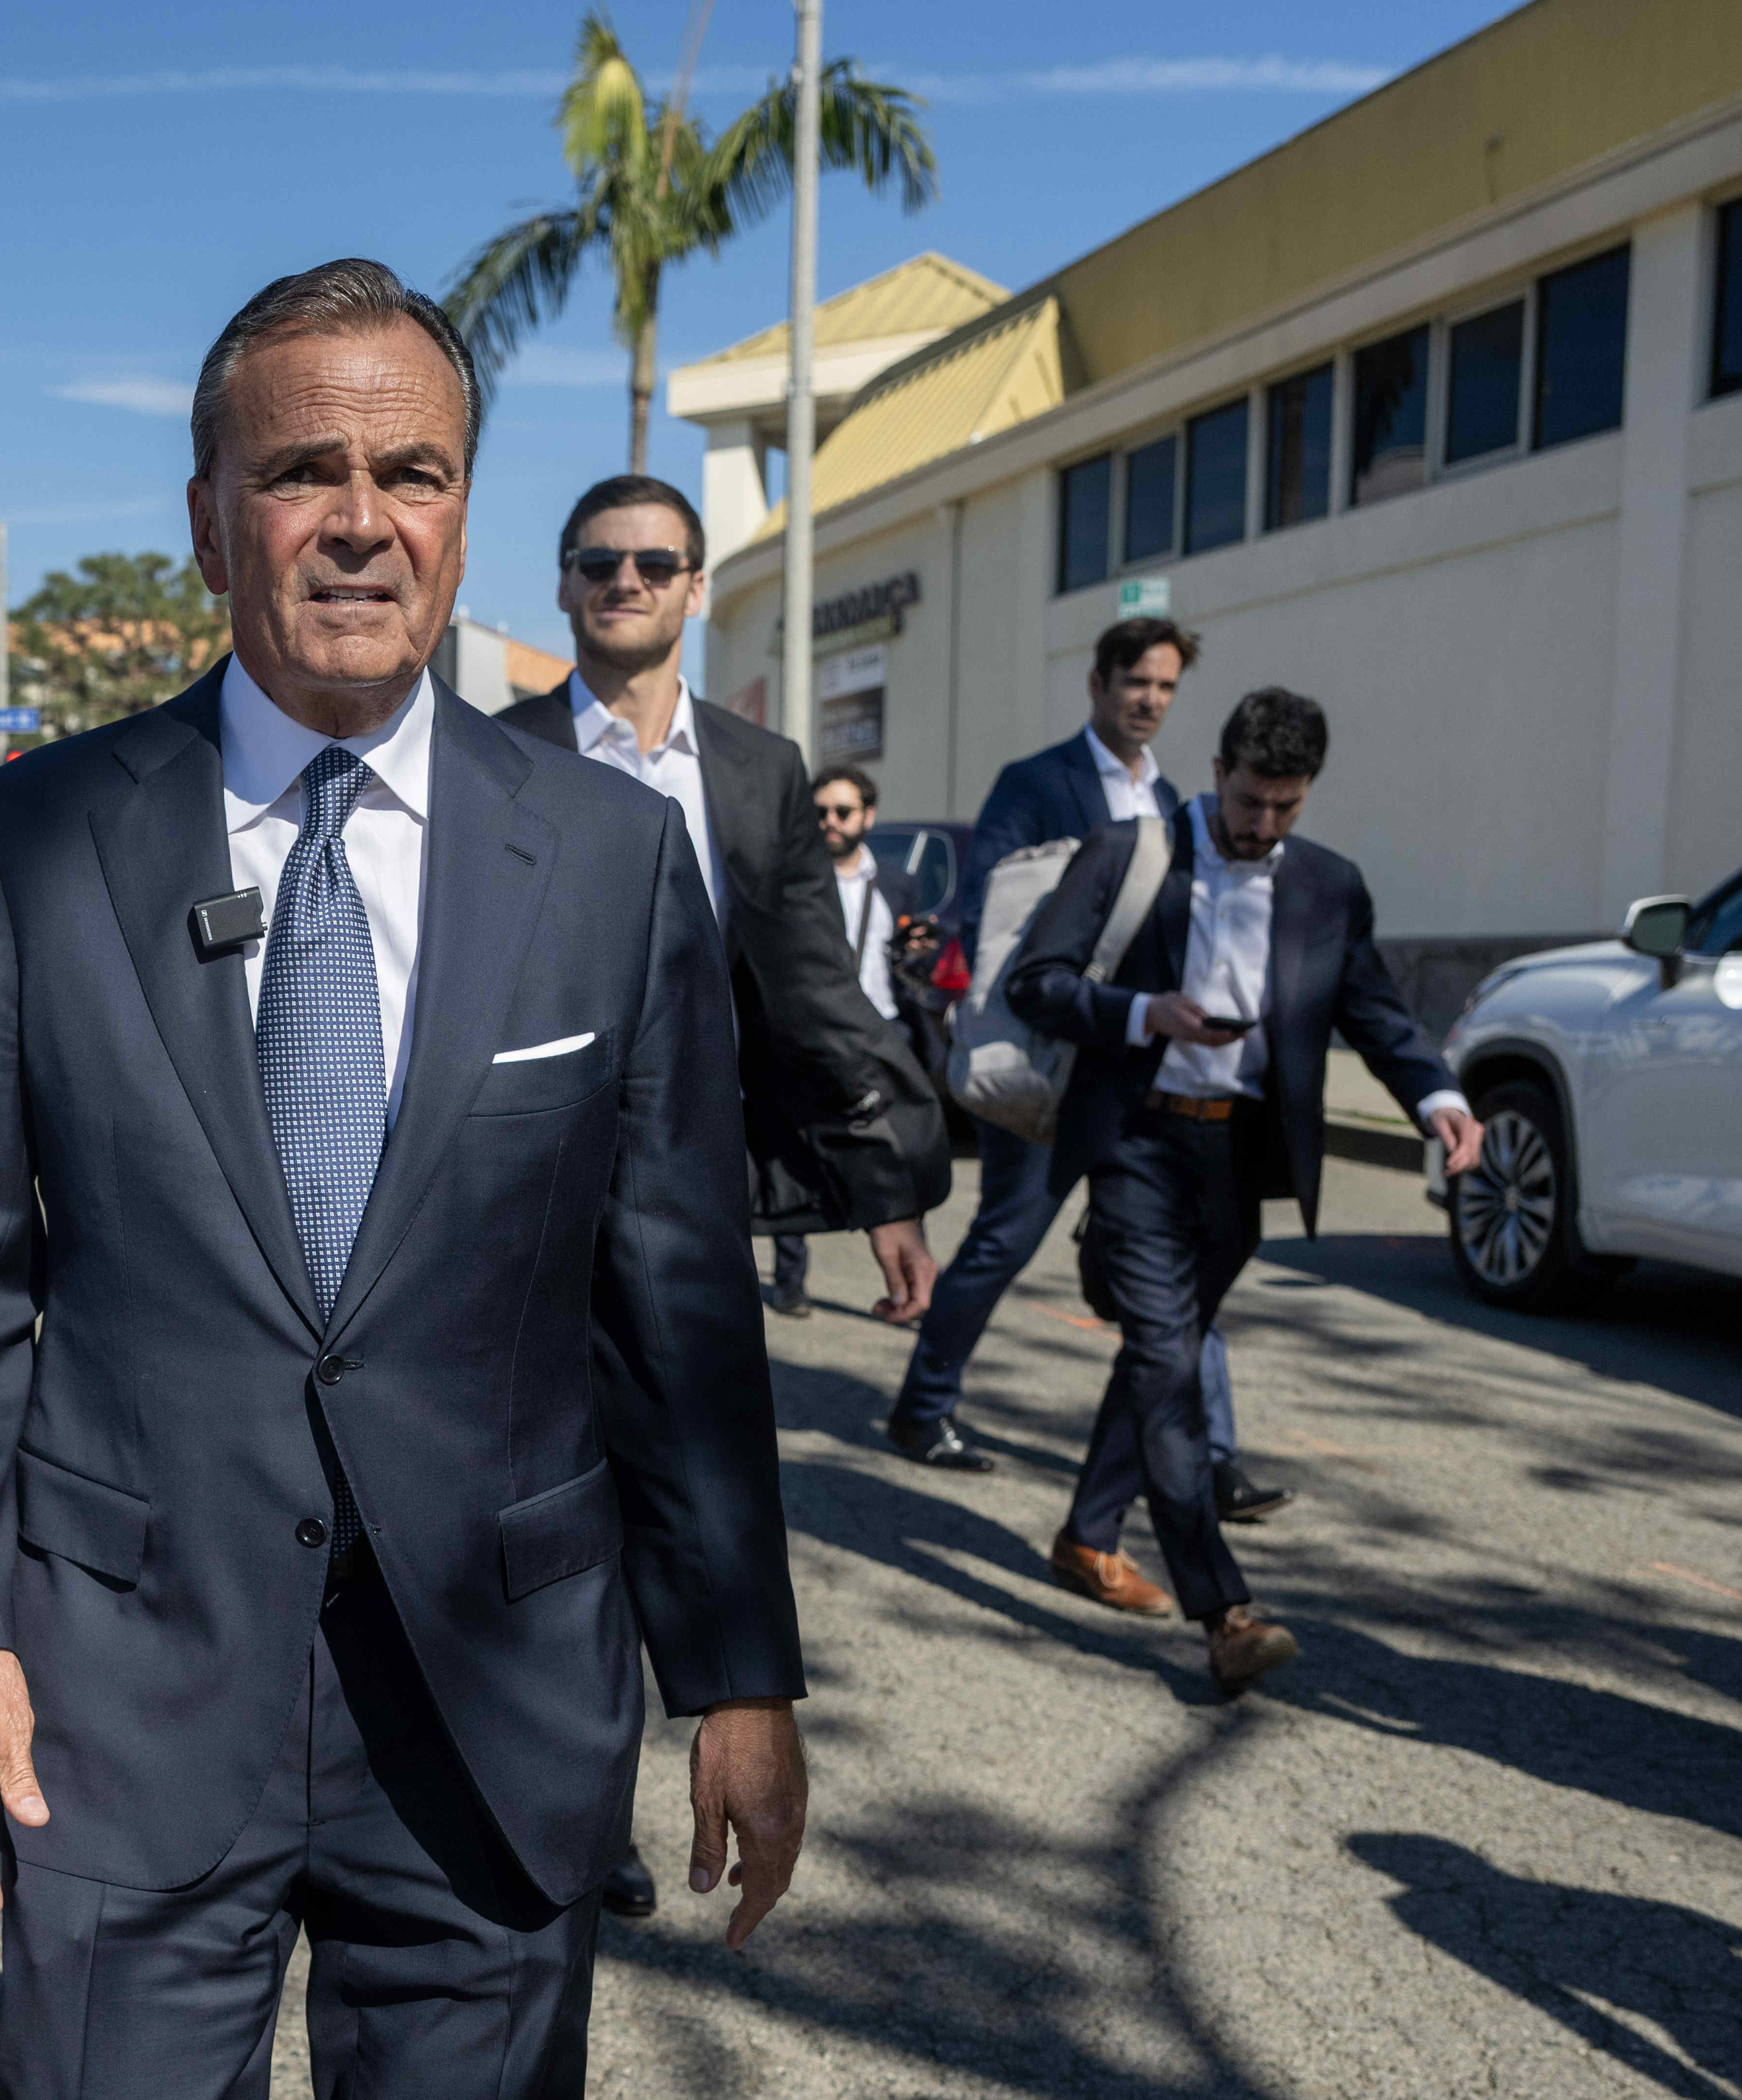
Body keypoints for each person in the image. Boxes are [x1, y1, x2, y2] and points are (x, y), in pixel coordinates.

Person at [0, 259, 808, 2100]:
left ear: (463, 510)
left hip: (485, 1689)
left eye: (406, 472)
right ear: (210, 514)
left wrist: (737, 1667)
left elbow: (671, 1288)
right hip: (130, 1662)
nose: (359, 521)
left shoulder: (596, 864)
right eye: (304, 470)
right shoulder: (40, 842)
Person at [1001, 685, 1481, 1693]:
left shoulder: (1328, 885)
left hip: (1240, 1163)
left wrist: (1435, 1094)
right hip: (1137, 1142)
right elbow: (1035, 982)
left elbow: (1376, 1013)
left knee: (1156, 1361)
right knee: (1173, 1367)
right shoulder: (1133, 854)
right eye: (1251, 800)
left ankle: (1089, 1534)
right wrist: (1146, 1014)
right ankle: (1225, 1611)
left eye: (1287, 806)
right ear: (1218, 772)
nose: (1264, 825)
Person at [494, 472, 942, 1332]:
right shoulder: (494, 755)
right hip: (526, 1172)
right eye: (598, 561)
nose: (625, 579)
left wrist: (887, 1186)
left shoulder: (762, 769)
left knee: (700, 1443)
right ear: (563, 583)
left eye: (657, 563)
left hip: (701, 1165)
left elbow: (815, 982)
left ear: (696, 588)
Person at [883, 617, 1283, 1534]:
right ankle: (923, 1402)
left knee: (1179, 1256)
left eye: (1166, 686)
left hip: (1138, 1058)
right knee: (1007, 1237)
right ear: (1097, 683)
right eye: (1135, 681)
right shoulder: (1038, 782)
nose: (1149, 699)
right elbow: (991, 899)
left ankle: (1213, 1456)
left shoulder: (1179, 795)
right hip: (1049, 1052)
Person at [768, 763, 913, 1316]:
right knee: (798, 1154)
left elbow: (897, 960)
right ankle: (791, 1280)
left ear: (868, 817)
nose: (830, 821)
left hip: (881, 1036)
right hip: (809, 1036)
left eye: (843, 811)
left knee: (893, 1162)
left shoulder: (896, 884)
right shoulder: (792, 882)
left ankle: (904, 1287)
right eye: (820, 811)